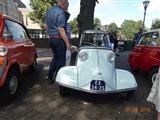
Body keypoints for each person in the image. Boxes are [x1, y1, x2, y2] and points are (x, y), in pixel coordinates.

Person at [45, 0, 71, 84]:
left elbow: (46, 26)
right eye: (67, 6)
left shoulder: (49, 11)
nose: (67, 9)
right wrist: (67, 42)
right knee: (61, 61)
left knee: (56, 58)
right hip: (59, 39)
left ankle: (49, 76)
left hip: (51, 38)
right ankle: (60, 80)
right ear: (64, 4)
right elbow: (60, 29)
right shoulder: (60, 12)